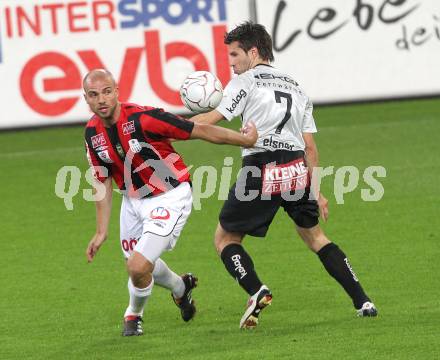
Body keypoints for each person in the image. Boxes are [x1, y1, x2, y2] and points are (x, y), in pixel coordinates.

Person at [191, 22, 377, 329]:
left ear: (253, 52)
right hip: (296, 170)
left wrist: (167, 129)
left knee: (225, 238)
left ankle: (255, 290)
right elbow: (311, 147)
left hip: (262, 168)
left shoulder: (245, 82)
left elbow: (208, 121)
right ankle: (363, 301)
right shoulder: (296, 86)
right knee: (316, 237)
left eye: (235, 54)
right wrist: (317, 190)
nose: (231, 62)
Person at [83, 69, 258, 336]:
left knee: (137, 266)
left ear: (117, 91)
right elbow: (101, 179)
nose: (102, 99)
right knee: (140, 266)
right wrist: (100, 231)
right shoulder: (92, 133)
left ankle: (133, 314)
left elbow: (200, 130)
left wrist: (244, 139)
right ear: (87, 99)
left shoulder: (145, 118)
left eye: (107, 91)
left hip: (169, 196)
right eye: (94, 95)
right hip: (132, 202)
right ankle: (181, 288)